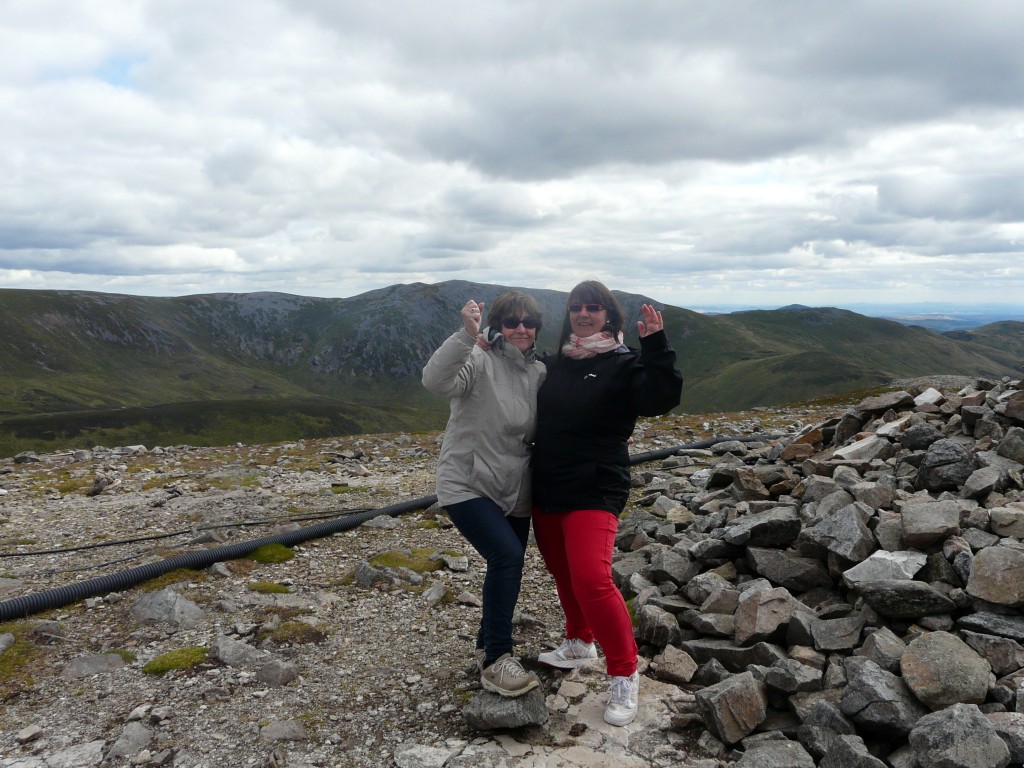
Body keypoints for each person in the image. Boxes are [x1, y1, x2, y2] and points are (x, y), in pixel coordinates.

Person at [531, 280, 683, 726]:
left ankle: (624, 672)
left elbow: (660, 398)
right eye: (577, 307)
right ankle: (579, 642)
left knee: (591, 578)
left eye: (593, 307)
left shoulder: (624, 362)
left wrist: (656, 345)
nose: (583, 313)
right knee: (563, 571)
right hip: (547, 483)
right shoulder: (556, 362)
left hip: (596, 485)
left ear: (609, 316)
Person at [421, 291, 546, 697]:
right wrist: (465, 335)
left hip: (516, 487)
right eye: (512, 321)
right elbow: (435, 381)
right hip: (467, 483)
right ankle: (496, 659)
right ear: (498, 325)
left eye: (529, 322)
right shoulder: (477, 358)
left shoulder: (538, 372)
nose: (521, 328)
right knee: (506, 556)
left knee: (508, 564)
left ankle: (485, 645)